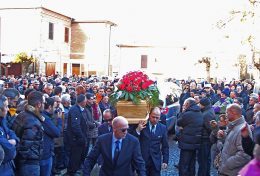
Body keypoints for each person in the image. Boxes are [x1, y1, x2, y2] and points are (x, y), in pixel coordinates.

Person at [12, 91, 45, 176]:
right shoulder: (33, 121)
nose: (44, 105)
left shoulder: (22, 114)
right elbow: (25, 145)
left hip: (24, 161)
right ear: (39, 104)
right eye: (43, 103)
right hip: (29, 163)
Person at [134, 107, 169, 176]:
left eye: (157, 117)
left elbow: (165, 146)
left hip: (155, 162)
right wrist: (138, 130)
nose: (155, 119)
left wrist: (165, 160)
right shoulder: (142, 125)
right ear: (149, 115)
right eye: (153, 117)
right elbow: (134, 141)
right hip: (143, 161)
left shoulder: (163, 128)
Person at [218, 104, 252, 176]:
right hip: (226, 170)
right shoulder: (233, 125)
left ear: (234, 113)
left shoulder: (243, 128)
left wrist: (227, 164)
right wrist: (223, 136)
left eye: (227, 112)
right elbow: (231, 144)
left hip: (231, 172)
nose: (225, 115)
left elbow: (245, 154)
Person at [177, 97, 203, 176]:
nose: (183, 106)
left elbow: (179, 122)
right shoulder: (199, 112)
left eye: (184, 105)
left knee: (184, 165)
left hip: (187, 143)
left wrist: (182, 111)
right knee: (192, 164)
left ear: (188, 104)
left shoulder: (187, 114)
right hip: (196, 142)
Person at [66, 94, 88, 175]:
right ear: (82, 102)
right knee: (75, 157)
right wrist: (81, 137)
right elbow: (75, 125)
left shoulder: (80, 109)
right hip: (76, 139)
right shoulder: (75, 110)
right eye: (85, 101)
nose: (86, 102)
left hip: (79, 138)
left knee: (78, 156)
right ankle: (72, 172)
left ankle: (75, 170)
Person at [40, 97, 62, 176]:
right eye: (55, 107)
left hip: (46, 150)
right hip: (45, 153)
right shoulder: (44, 118)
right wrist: (59, 120)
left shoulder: (45, 116)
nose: (56, 109)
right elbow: (57, 133)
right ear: (50, 107)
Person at [0, 95, 19, 175]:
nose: (8, 109)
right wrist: (9, 143)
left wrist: (14, 140)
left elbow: (10, 132)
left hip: (8, 167)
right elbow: (10, 152)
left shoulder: (2, 120)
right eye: (6, 106)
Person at [198, 97, 215, 176]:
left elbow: (210, 128)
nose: (198, 105)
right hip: (206, 139)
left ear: (203, 105)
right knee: (205, 160)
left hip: (205, 140)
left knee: (203, 160)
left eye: (200, 104)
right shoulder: (208, 111)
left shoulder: (206, 114)